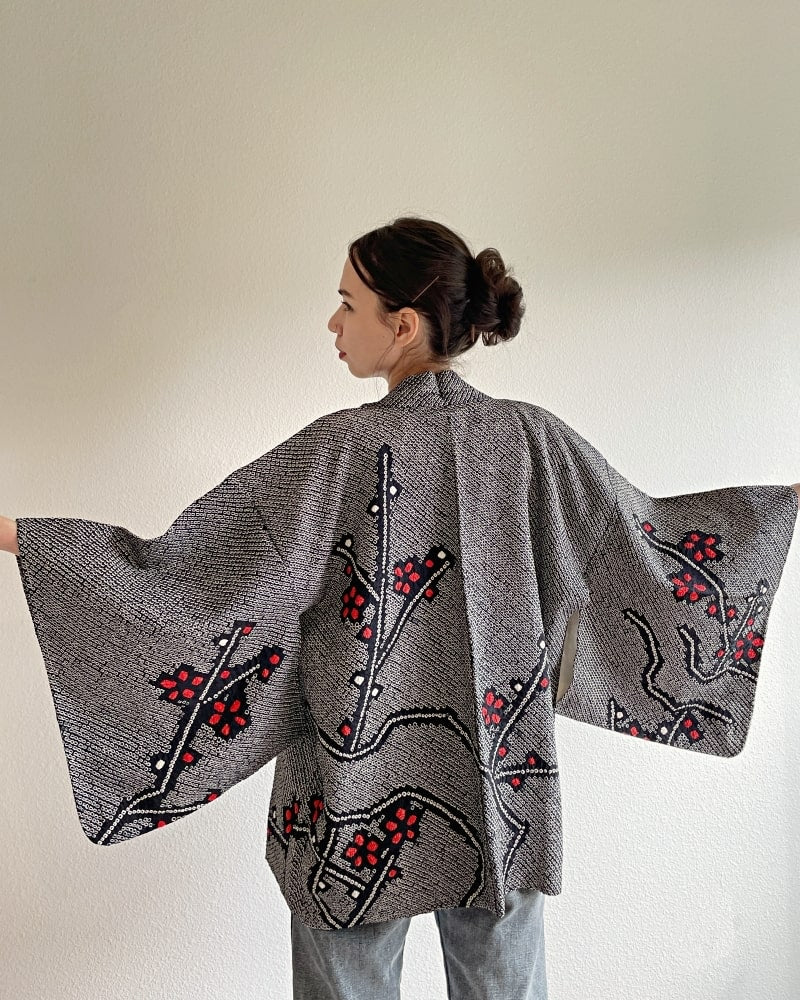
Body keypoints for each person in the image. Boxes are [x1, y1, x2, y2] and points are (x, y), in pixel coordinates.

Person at [2, 216, 799, 1000]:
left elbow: (186, 575)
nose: (333, 321)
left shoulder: (336, 451)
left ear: (404, 323)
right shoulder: (531, 441)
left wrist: (19, 539)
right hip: (497, 784)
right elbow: (648, 547)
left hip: (352, 795)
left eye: (348, 303)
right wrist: (784, 508)